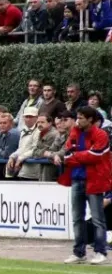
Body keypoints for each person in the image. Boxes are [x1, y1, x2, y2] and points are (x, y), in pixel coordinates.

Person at [58, 106, 111, 265]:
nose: (78, 120)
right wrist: (81, 156)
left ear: (90, 120)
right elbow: (67, 156)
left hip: (94, 180)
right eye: (78, 117)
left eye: (81, 118)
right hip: (76, 179)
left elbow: (96, 155)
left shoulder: (101, 134)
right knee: (77, 218)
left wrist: (77, 156)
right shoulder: (75, 133)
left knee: (97, 218)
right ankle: (79, 253)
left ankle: (100, 251)